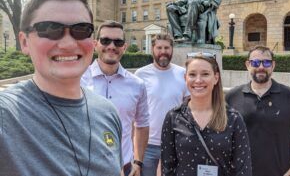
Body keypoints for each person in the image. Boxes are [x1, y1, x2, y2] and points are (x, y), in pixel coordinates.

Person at [0, 0, 123, 176]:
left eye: (81, 29)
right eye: (49, 28)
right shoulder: (6, 115)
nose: (67, 44)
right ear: (24, 42)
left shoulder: (108, 113)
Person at [161, 53, 252, 176]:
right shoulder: (173, 117)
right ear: (185, 78)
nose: (198, 80)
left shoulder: (233, 119)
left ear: (216, 78)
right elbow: (168, 167)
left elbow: (243, 169)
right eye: (192, 74)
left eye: (205, 74)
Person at [81, 20, 149, 176]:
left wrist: (138, 162)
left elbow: (142, 124)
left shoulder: (137, 85)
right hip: (85, 166)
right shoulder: (78, 80)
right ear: (95, 44)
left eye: (118, 42)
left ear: (124, 47)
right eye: (105, 40)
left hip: (124, 167)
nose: (111, 46)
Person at [226, 45, 290, 176]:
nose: (261, 67)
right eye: (255, 62)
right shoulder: (232, 97)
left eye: (266, 62)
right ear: (248, 65)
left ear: (273, 65)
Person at [134, 34, 189, 176]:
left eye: (167, 47)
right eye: (159, 47)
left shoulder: (183, 74)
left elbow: (190, 108)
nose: (163, 51)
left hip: (176, 144)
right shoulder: (141, 74)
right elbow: (134, 114)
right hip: (147, 146)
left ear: (172, 49)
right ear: (152, 49)